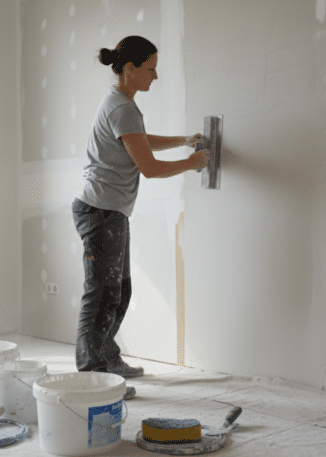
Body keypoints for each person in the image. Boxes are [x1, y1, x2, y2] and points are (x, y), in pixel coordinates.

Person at [72, 36, 209, 379]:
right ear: (130, 69)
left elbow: (140, 143)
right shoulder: (121, 107)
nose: (155, 77)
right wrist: (192, 163)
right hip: (100, 212)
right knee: (102, 293)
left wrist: (183, 141)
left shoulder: (122, 105)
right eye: (151, 69)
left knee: (119, 290)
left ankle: (106, 357)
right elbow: (149, 167)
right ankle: (92, 375)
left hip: (109, 211)